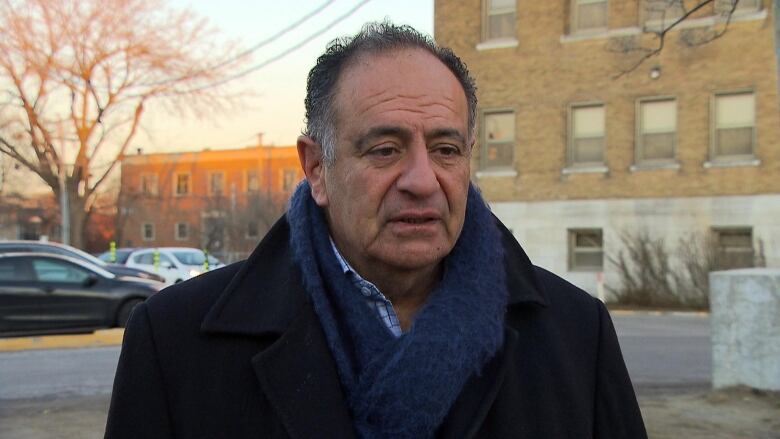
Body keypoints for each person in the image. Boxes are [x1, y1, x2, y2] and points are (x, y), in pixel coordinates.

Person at [104, 22, 647, 439]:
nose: (421, 180)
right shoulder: (174, 342)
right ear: (316, 167)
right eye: (384, 149)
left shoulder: (579, 334)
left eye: (446, 149)